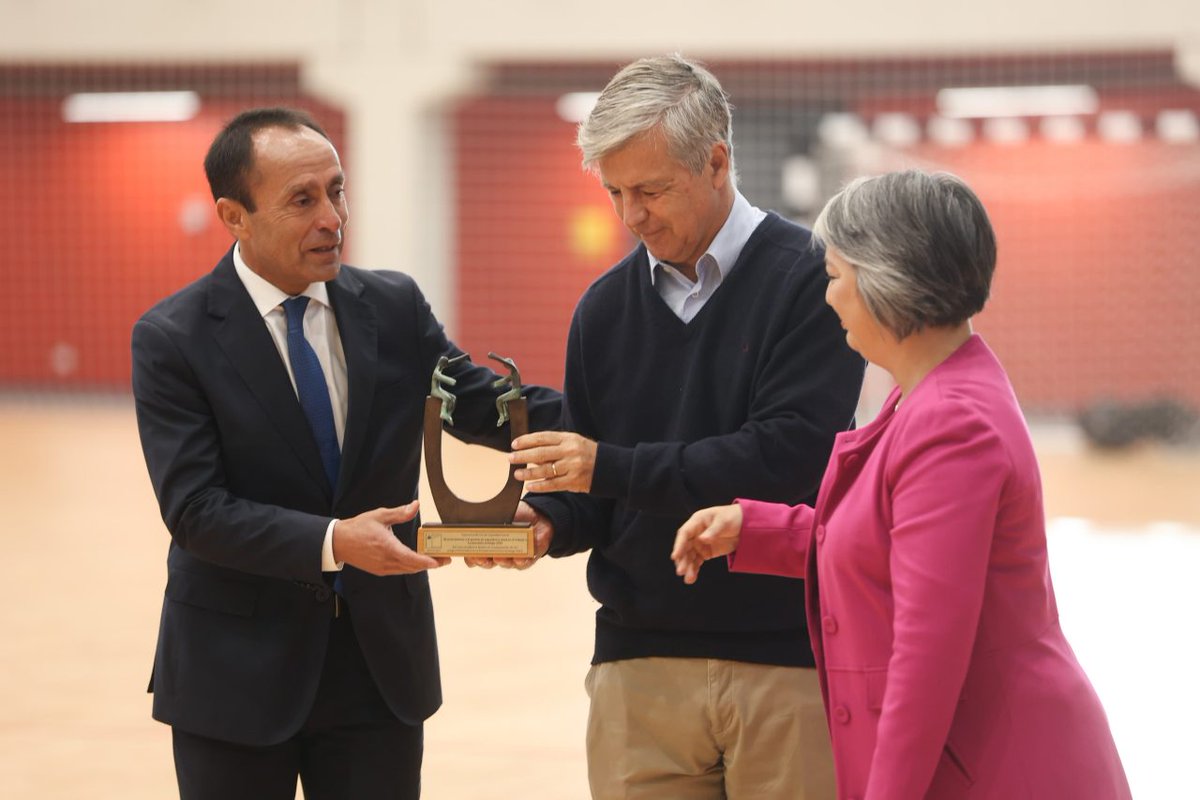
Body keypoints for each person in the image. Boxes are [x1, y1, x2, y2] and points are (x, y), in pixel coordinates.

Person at [131, 107, 559, 800]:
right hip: (233, 676)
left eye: (337, 190)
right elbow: (197, 511)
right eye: (303, 200)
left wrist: (619, 425)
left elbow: (485, 407)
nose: (333, 217)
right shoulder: (171, 338)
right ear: (234, 216)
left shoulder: (392, 307)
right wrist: (334, 542)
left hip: (377, 671)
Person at [672, 170, 1132, 799]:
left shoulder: (950, 422)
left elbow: (927, 658)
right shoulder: (933, 394)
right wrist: (759, 529)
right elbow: (892, 542)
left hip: (998, 767)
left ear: (887, 279)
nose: (827, 298)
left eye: (835, 276)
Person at [489, 55, 865, 798]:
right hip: (638, 669)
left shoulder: (812, 280)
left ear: (718, 161)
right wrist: (549, 523)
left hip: (788, 662)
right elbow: (599, 494)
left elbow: (787, 459)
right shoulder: (600, 310)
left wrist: (607, 469)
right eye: (615, 192)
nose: (631, 216)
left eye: (651, 190)